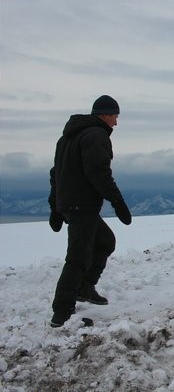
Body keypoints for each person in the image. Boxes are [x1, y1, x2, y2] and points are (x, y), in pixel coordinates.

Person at [48, 95, 132, 328]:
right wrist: (118, 202)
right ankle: (61, 312)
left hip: (72, 203)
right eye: (115, 116)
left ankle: (85, 287)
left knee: (105, 242)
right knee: (78, 257)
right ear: (105, 114)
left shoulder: (67, 137)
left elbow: (55, 172)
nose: (116, 122)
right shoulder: (96, 135)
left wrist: (55, 205)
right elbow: (99, 173)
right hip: (81, 205)